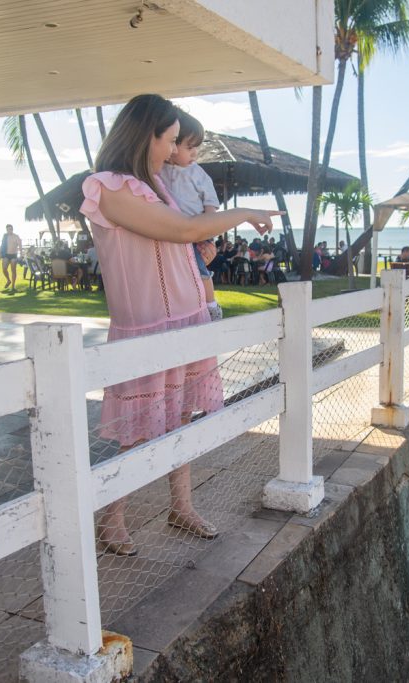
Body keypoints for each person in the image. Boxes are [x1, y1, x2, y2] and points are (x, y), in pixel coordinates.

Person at [79, 94, 280, 556]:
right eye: (169, 140)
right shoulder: (109, 186)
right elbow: (180, 229)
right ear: (143, 133)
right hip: (148, 326)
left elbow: (177, 241)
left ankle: (181, 506)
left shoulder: (154, 185)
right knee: (141, 426)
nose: (173, 151)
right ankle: (112, 518)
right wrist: (245, 213)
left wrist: (196, 255)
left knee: (182, 416)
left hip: (185, 321)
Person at [158, 110, 223, 320]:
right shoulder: (159, 170)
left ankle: (211, 304)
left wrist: (209, 232)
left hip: (197, 229)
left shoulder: (196, 172)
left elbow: (210, 201)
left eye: (197, 147)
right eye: (190, 147)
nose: (194, 153)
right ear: (173, 144)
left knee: (199, 269)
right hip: (172, 230)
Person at [0, 224, 22, 291]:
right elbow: (2, 245)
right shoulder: (5, 236)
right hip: (6, 255)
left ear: (12, 229)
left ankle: (13, 286)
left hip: (13, 255)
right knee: (4, 269)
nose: (9, 230)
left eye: (10, 229)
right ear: (6, 230)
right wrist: (0, 253)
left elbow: (20, 246)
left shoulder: (16, 236)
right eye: (8, 229)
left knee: (13, 271)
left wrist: (21, 254)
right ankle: (8, 280)